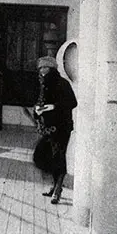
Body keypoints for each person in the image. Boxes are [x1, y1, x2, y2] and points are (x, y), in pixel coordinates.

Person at [33, 56, 77, 204]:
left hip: (62, 127)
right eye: (40, 68)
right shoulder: (43, 84)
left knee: (58, 156)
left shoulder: (62, 83)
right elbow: (40, 102)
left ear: (52, 69)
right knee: (44, 156)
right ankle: (55, 186)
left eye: (45, 68)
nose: (42, 70)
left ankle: (57, 189)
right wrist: (37, 110)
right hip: (48, 128)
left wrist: (53, 107)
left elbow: (72, 102)